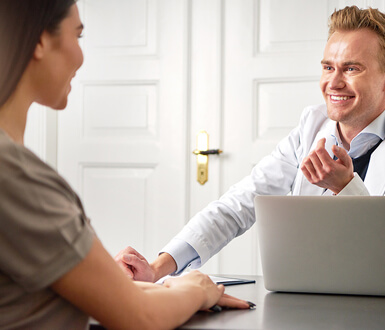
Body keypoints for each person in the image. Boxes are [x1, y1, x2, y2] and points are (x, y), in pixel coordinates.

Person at [0, 1, 252, 329]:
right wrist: (197, 290)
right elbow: (139, 317)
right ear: (40, 41)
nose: (81, 56)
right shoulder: (17, 176)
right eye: (77, 36)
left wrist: (144, 284)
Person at [115, 5, 385, 283]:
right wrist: (157, 268)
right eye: (328, 67)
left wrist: (345, 188)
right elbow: (239, 204)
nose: (333, 82)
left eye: (352, 68)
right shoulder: (312, 126)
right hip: (306, 293)